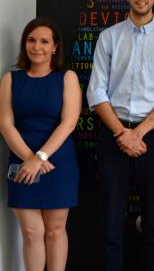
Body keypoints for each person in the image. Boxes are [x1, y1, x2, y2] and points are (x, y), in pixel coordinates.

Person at [86, 0, 154, 271]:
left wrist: (137, 133)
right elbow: (97, 91)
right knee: (111, 218)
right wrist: (121, 133)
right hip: (112, 133)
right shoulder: (108, 37)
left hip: (151, 135)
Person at [0, 18, 81, 271]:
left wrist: (41, 157)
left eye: (44, 41)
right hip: (21, 161)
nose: (37, 47)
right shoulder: (11, 79)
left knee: (55, 231)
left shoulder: (66, 78)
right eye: (31, 40)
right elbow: (5, 125)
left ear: (55, 46)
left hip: (57, 161)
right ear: (25, 45)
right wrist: (29, 159)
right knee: (32, 232)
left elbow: (68, 124)